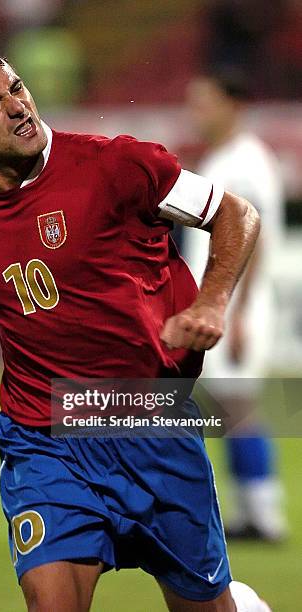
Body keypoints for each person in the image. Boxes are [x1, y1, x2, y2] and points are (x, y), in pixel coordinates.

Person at [0, 46, 270, 611]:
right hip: (44, 433)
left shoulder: (116, 165)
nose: (18, 106)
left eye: (17, 88)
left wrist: (211, 302)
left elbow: (236, 214)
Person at [184, 73, 287, 543]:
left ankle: (266, 515)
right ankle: (250, 510)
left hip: (234, 307)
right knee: (223, 410)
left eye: (204, 103)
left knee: (239, 407)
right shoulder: (224, 159)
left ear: (233, 104)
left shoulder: (247, 162)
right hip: (221, 304)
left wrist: (237, 310)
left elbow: (255, 237)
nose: (196, 113)